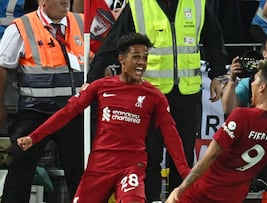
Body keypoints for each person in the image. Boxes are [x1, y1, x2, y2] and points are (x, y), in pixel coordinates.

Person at [16, 32, 191, 203]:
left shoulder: (155, 96)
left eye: (145, 57)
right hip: (100, 165)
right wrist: (34, 137)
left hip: (131, 166)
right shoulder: (100, 87)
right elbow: (66, 113)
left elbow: (171, 135)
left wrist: (185, 173)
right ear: (122, 59)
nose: (142, 63)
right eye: (136, 57)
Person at [87, 0, 228, 201]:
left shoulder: (197, 3)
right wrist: (92, 78)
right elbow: (114, 43)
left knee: (182, 158)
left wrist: (218, 74)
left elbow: (213, 37)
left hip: (186, 95)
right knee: (148, 158)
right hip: (149, 97)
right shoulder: (138, 5)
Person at [165, 60, 267, 203]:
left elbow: (208, 158)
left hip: (201, 193)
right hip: (233, 198)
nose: (252, 85)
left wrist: (179, 191)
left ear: (263, 87)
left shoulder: (242, 116)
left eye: (255, 80)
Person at [0, 0, 86, 202]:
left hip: (72, 112)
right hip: (34, 112)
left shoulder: (82, 23)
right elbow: (2, 66)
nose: (65, 1)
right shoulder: (23, 27)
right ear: (43, 2)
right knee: (19, 171)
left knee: (81, 172)